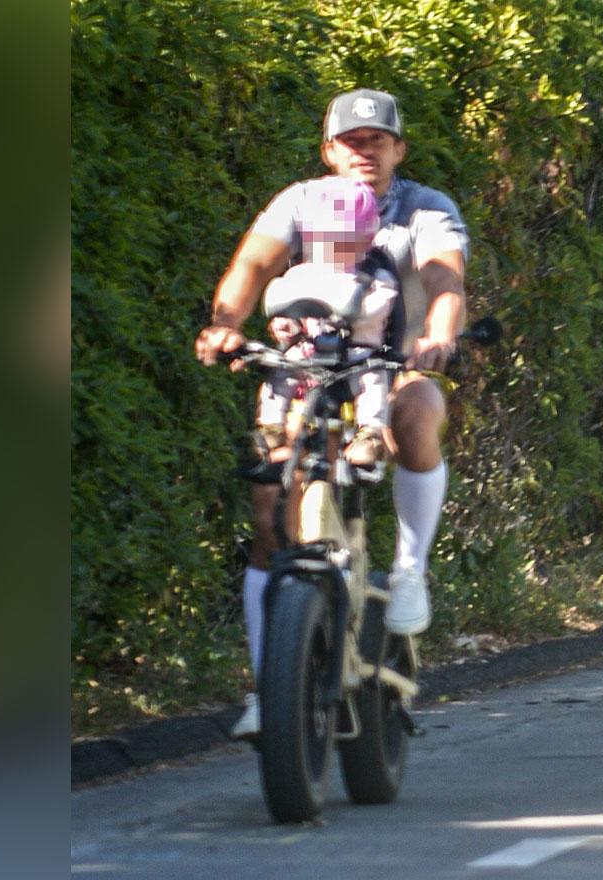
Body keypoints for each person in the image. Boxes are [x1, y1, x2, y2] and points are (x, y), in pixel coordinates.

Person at [196, 88, 469, 739]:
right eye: (350, 141)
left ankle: (408, 573)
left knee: (421, 407)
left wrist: (439, 334)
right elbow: (252, 265)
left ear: (398, 149)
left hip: (390, 370)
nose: (363, 152)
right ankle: (271, 688)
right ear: (327, 151)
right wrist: (225, 326)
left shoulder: (425, 209)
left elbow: (444, 278)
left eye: (377, 141)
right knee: (270, 511)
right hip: (308, 374)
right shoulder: (298, 202)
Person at [255, 175, 399, 468]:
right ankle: (270, 425)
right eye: (325, 237)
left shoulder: (375, 277)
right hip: (310, 354)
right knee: (280, 372)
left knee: (374, 381)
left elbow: (380, 305)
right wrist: (287, 324)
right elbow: (287, 303)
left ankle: (369, 435)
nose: (332, 246)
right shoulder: (304, 274)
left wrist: (349, 309)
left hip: (357, 356)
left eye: (344, 239)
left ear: (365, 240)